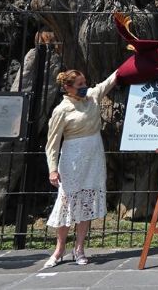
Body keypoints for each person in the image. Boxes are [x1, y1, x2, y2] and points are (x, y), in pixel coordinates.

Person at [43, 68, 118, 268]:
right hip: (73, 159)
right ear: (68, 87)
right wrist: (52, 168)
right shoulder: (62, 110)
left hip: (93, 156)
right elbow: (52, 143)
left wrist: (137, 53)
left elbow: (111, 79)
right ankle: (59, 249)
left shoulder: (92, 97)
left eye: (85, 82)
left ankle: (79, 248)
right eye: (79, 84)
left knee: (86, 202)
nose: (84, 87)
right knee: (67, 202)